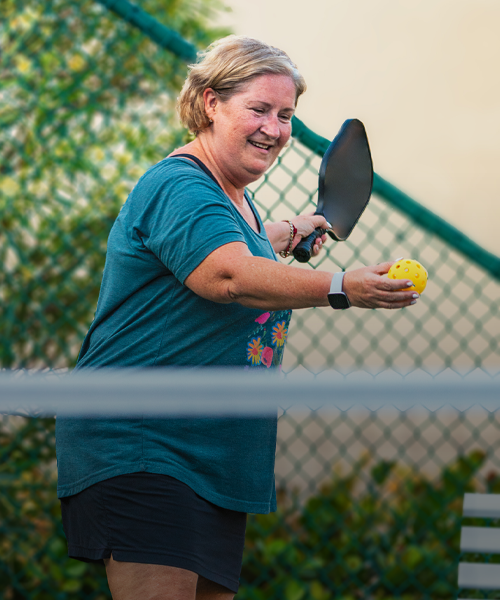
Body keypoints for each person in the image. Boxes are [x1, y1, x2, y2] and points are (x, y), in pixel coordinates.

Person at [55, 35, 419, 600]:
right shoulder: (178, 184)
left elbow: (237, 245)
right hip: (146, 444)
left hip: (215, 456)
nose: (274, 129)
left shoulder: (235, 201)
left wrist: (290, 230)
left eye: (285, 115)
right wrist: (343, 287)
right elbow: (228, 275)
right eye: (258, 109)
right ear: (210, 103)